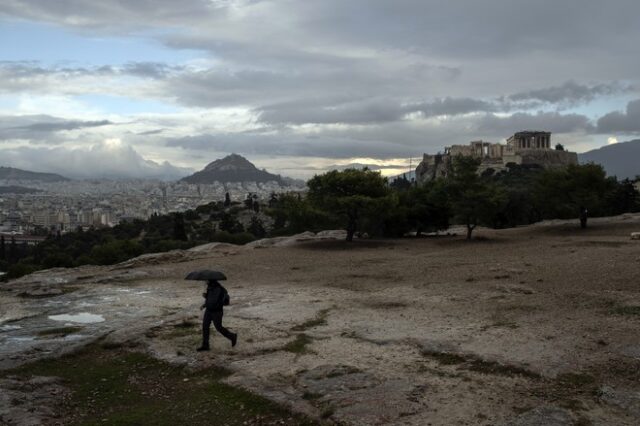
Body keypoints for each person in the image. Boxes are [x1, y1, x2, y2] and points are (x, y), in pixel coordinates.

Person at [197, 279, 237, 352]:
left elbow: (215, 301)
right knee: (205, 326)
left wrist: (206, 297)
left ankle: (232, 336)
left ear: (210, 280)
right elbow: (210, 300)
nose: (205, 281)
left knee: (218, 327)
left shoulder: (218, 289)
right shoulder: (210, 288)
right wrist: (204, 304)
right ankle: (205, 345)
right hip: (209, 310)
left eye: (207, 280)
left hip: (216, 311)